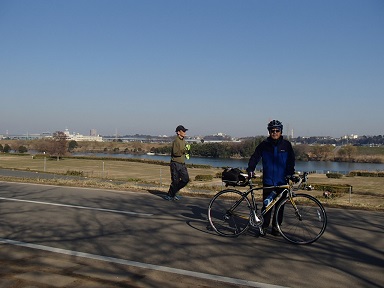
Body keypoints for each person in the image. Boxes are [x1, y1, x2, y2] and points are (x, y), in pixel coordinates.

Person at [246, 120, 295, 236]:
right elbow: (255, 157)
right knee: (267, 205)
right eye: (272, 131)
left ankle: (276, 227)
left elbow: (291, 161)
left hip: (282, 180)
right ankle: (264, 226)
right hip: (268, 180)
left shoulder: (286, 145)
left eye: (277, 130)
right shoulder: (264, 145)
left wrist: (290, 173)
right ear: (269, 132)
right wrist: (250, 168)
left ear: (281, 131)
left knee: (280, 206)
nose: (275, 133)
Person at [164, 125, 191, 201]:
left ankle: (174, 192)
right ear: (178, 132)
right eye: (183, 131)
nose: (185, 132)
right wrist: (184, 150)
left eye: (185, 131)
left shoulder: (183, 140)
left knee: (186, 179)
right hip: (175, 163)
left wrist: (187, 152)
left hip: (182, 163)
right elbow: (175, 153)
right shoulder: (176, 141)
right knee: (175, 181)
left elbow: (184, 151)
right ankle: (170, 195)